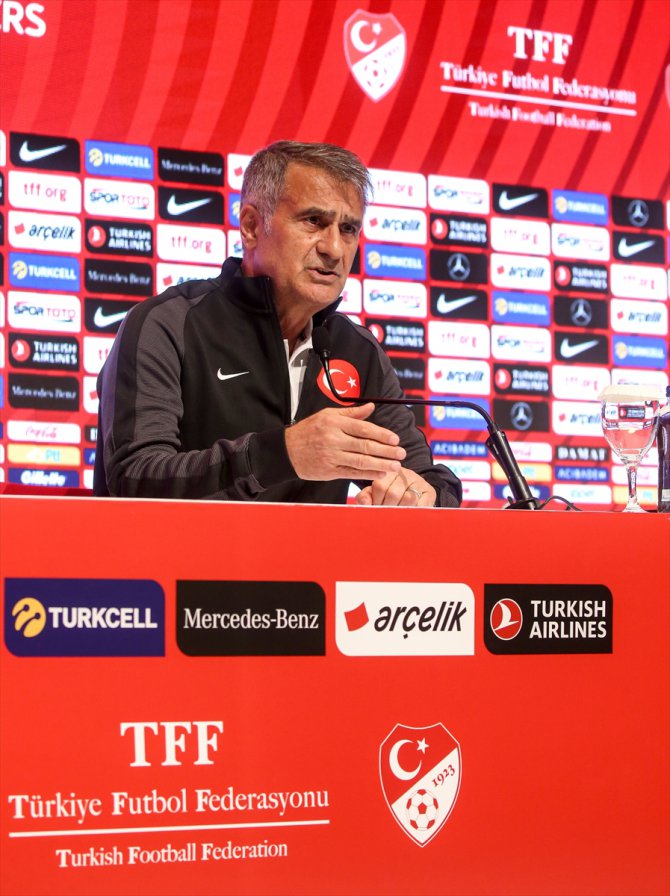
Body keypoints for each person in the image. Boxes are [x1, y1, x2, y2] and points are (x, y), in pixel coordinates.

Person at [94, 141, 462, 507]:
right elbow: (135, 480)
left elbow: (428, 479)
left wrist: (423, 496)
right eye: (314, 221)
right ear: (252, 226)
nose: (334, 249)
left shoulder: (355, 349)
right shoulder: (168, 325)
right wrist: (283, 454)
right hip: (183, 549)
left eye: (348, 228)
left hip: (315, 550)